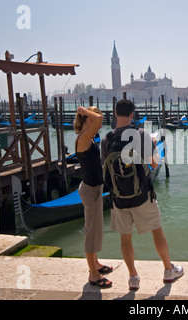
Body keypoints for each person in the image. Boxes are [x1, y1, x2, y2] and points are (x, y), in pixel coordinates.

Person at [101, 99, 183, 290]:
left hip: (119, 198)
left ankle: (133, 278)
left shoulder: (107, 139)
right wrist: (152, 146)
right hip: (143, 195)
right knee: (157, 231)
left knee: (125, 237)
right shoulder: (141, 134)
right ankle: (168, 270)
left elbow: (104, 170)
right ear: (132, 114)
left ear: (115, 114)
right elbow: (154, 164)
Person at [74, 105, 113, 288]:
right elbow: (99, 120)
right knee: (91, 232)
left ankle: (96, 263)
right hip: (90, 190)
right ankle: (93, 274)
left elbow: (97, 121)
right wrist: (83, 110)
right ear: (88, 119)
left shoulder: (86, 138)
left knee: (96, 229)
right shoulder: (83, 138)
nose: (99, 122)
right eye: (94, 117)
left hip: (93, 189)